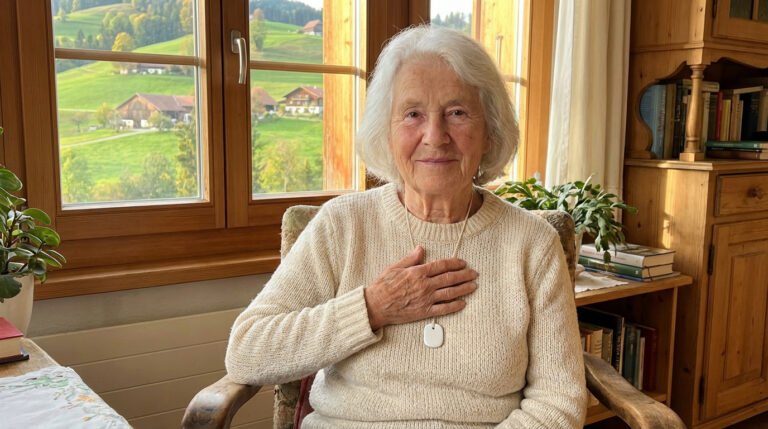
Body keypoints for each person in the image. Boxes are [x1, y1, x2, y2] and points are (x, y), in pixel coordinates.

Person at [226, 25, 587, 428]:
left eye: (457, 112)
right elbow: (247, 350)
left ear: (490, 131)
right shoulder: (343, 225)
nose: (435, 136)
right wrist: (371, 309)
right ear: (387, 131)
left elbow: (559, 402)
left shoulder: (532, 244)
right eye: (413, 114)